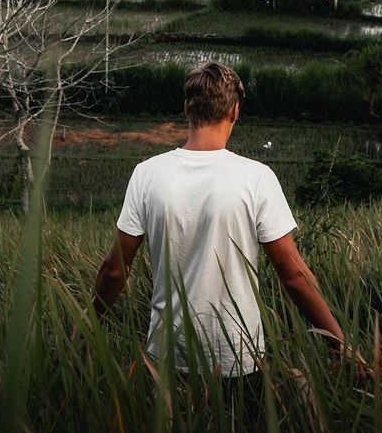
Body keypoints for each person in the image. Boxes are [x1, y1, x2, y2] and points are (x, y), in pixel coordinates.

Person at [92, 61, 345, 378]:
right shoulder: (257, 177)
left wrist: (88, 325)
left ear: (187, 110)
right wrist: (341, 345)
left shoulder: (147, 174)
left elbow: (115, 269)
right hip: (239, 359)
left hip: (167, 358)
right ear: (235, 112)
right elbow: (293, 275)